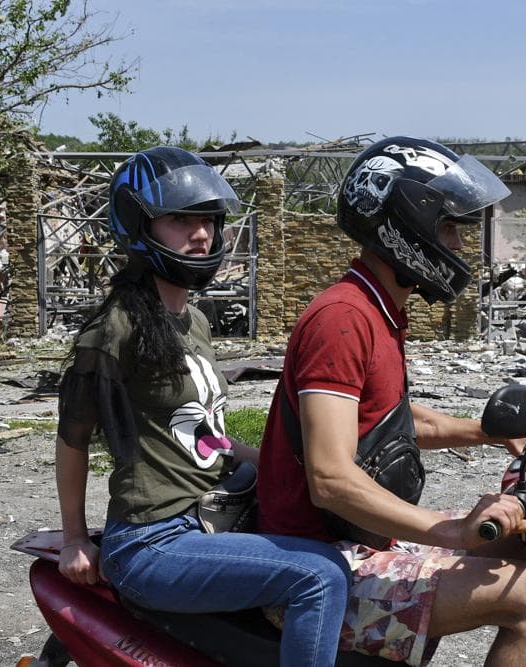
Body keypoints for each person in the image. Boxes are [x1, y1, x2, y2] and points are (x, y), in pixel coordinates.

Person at [257, 137, 526, 666]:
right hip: (319, 563)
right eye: (448, 228)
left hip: (355, 544)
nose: (458, 247)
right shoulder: (343, 320)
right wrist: (449, 531)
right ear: (404, 224)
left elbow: (386, 422)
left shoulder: (378, 312)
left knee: (520, 547)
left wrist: (488, 432)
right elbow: (329, 478)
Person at [54, 146, 352, 667]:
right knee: (319, 576)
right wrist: (75, 539)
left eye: (208, 220)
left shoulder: (194, 321)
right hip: (152, 542)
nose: (201, 234)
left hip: (211, 517)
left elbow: (201, 430)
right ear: (138, 225)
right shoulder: (113, 329)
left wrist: (273, 463)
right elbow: (72, 438)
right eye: (179, 219)